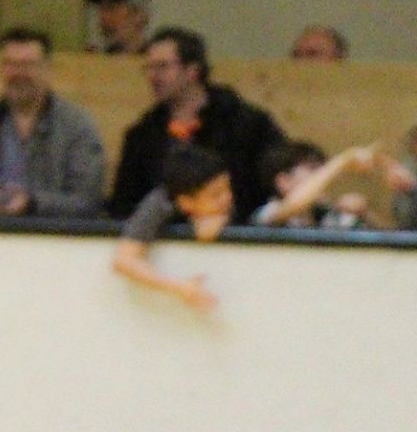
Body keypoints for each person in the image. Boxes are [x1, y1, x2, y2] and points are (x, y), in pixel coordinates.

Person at [107, 27, 284, 222]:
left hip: (238, 239)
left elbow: (277, 180)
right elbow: (124, 203)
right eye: (148, 67)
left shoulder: (249, 124)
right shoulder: (142, 135)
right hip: (166, 241)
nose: (152, 76)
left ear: (192, 71)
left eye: (162, 67)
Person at [0, 27, 106, 218]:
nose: (18, 74)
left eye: (27, 65)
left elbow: (88, 201)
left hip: (53, 241)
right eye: (10, 65)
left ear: (47, 69)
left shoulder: (78, 127)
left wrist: (32, 204)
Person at [111, 145, 233, 313]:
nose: (227, 198)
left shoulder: (229, 202)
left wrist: (221, 219)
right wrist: (180, 288)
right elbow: (124, 260)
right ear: (186, 201)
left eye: (228, 188)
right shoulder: (158, 204)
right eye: (215, 195)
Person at [250, 141, 375, 229]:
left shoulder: (326, 215)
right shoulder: (268, 211)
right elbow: (291, 208)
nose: (322, 179)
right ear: (284, 181)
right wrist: (344, 160)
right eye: (313, 170)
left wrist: (364, 213)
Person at [86, 0, 151, 55]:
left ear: (138, 15)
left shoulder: (157, 61)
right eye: (101, 9)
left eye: (112, 8)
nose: (103, 17)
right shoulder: (100, 60)